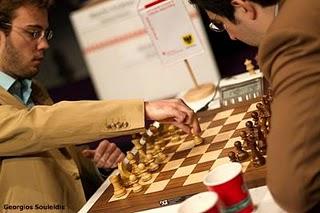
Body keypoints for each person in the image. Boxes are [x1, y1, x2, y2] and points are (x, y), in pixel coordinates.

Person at [0, 0, 201, 212]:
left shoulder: (32, 89)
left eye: (44, 34)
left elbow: (60, 156)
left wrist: (99, 167)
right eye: (33, 33)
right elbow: (40, 125)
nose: (44, 44)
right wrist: (143, 109)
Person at [189, 0, 320, 212]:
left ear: (243, 7)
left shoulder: (290, 37)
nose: (231, 36)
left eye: (220, 23)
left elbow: (293, 190)